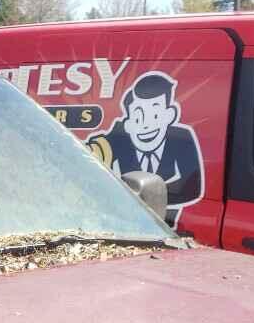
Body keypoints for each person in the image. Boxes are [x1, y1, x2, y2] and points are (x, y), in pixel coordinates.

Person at [87, 71, 204, 220]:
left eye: (155, 115)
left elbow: (192, 188)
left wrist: (150, 199)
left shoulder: (181, 138)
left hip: (169, 222)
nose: (146, 125)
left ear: (170, 115)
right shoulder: (120, 137)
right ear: (127, 124)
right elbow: (97, 148)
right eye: (137, 117)